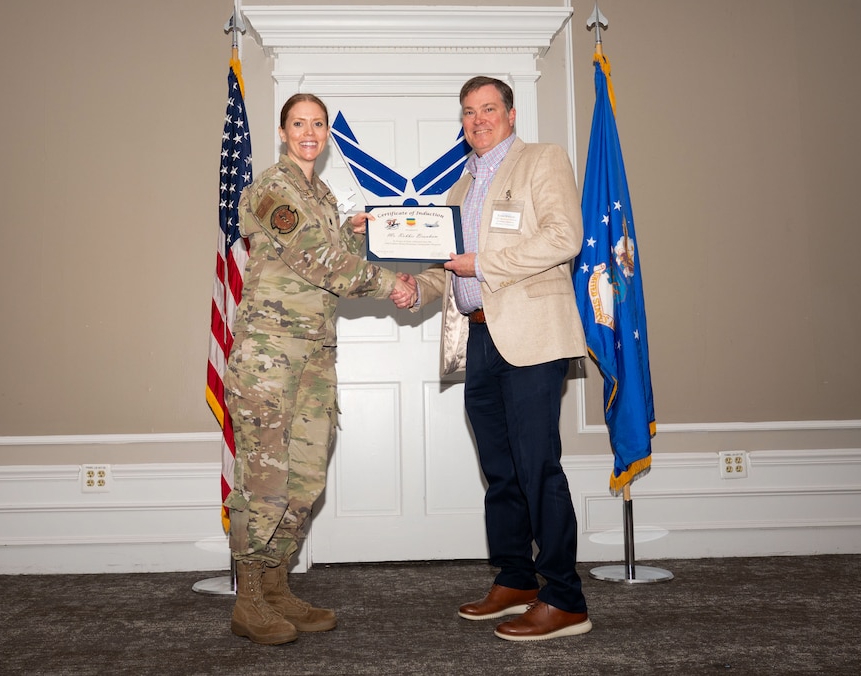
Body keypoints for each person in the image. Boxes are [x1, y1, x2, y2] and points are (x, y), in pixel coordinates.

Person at [394, 77, 591, 641]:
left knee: (537, 468)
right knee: (500, 472)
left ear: (509, 113)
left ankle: (565, 598)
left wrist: (481, 263)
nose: (477, 120)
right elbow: (446, 265)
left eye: (488, 110)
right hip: (479, 341)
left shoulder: (542, 160)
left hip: (531, 339)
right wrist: (420, 288)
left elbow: (564, 237)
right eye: (468, 113)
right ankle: (516, 578)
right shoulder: (461, 188)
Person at [224, 92, 416, 645]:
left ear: (327, 134)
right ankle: (250, 599)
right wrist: (392, 282)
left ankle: (278, 584)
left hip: (313, 355)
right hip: (269, 355)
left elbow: (329, 252)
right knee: (265, 483)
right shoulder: (272, 188)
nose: (310, 132)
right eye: (299, 123)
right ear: (283, 131)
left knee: (305, 480)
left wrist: (359, 231)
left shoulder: (323, 197)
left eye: (319, 124)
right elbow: (316, 260)